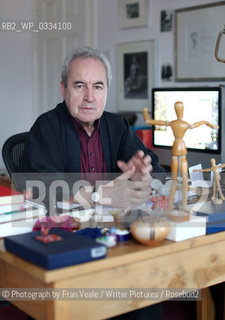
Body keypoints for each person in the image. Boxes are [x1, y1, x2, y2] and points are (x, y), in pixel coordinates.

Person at [20, 46, 165, 210]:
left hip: (114, 227)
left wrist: (146, 180)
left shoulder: (118, 126)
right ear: (63, 89)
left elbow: (157, 170)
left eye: (97, 87)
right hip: (67, 228)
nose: (89, 97)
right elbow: (41, 184)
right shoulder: (47, 126)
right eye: (80, 86)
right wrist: (101, 194)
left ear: (106, 91)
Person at [143, 101, 219, 218]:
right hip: (179, 151)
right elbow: (202, 122)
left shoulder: (175, 123)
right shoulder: (182, 124)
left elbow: (149, 121)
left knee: (181, 179)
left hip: (179, 151)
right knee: (176, 179)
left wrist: (145, 112)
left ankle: (182, 205)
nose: (180, 112)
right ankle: (172, 205)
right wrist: (211, 125)